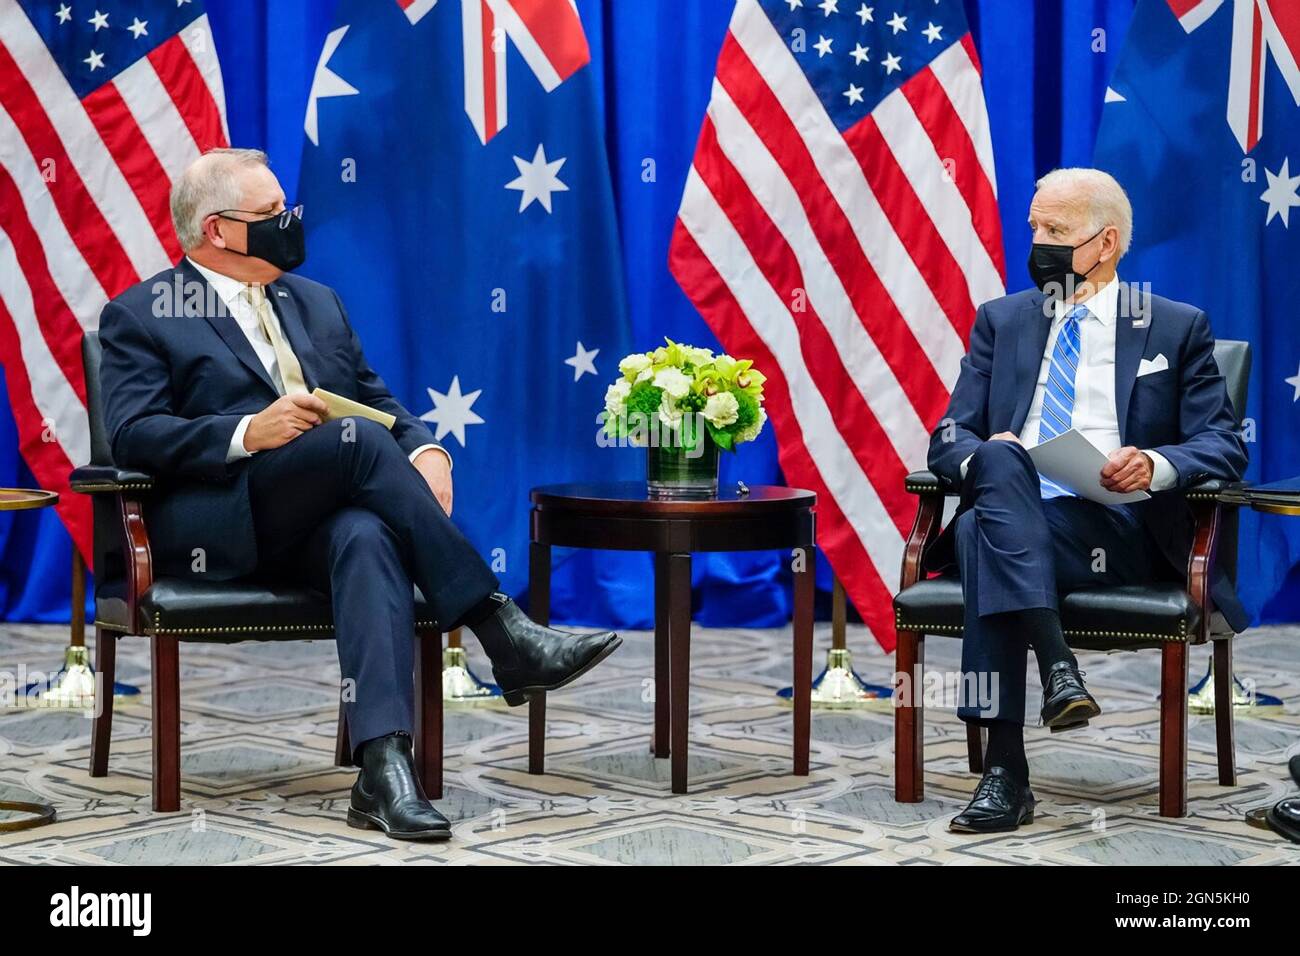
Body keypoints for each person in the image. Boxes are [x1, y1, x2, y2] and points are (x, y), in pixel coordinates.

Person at [98, 148, 621, 841]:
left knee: (367, 535)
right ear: (219, 230)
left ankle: (383, 770)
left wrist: (427, 450)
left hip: (314, 524)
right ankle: (501, 628)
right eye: (271, 214)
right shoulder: (142, 312)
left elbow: (373, 401)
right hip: (216, 523)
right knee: (356, 445)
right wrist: (249, 432)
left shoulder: (316, 302)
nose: (289, 222)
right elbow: (133, 434)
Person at [928, 167, 1247, 833]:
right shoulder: (1003, 320)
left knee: (983, 532)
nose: (1037, 242)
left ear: (1105, 244)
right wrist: (993, 453)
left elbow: (1223, 443)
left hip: (1117, 529)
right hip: (1018, 510)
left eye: (1056, 231)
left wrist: (1156, 463)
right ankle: (1055, 678)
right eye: (1034, 227)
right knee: (996, 467)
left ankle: (1007, 771)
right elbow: (949, 437)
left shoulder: (1174, 327)